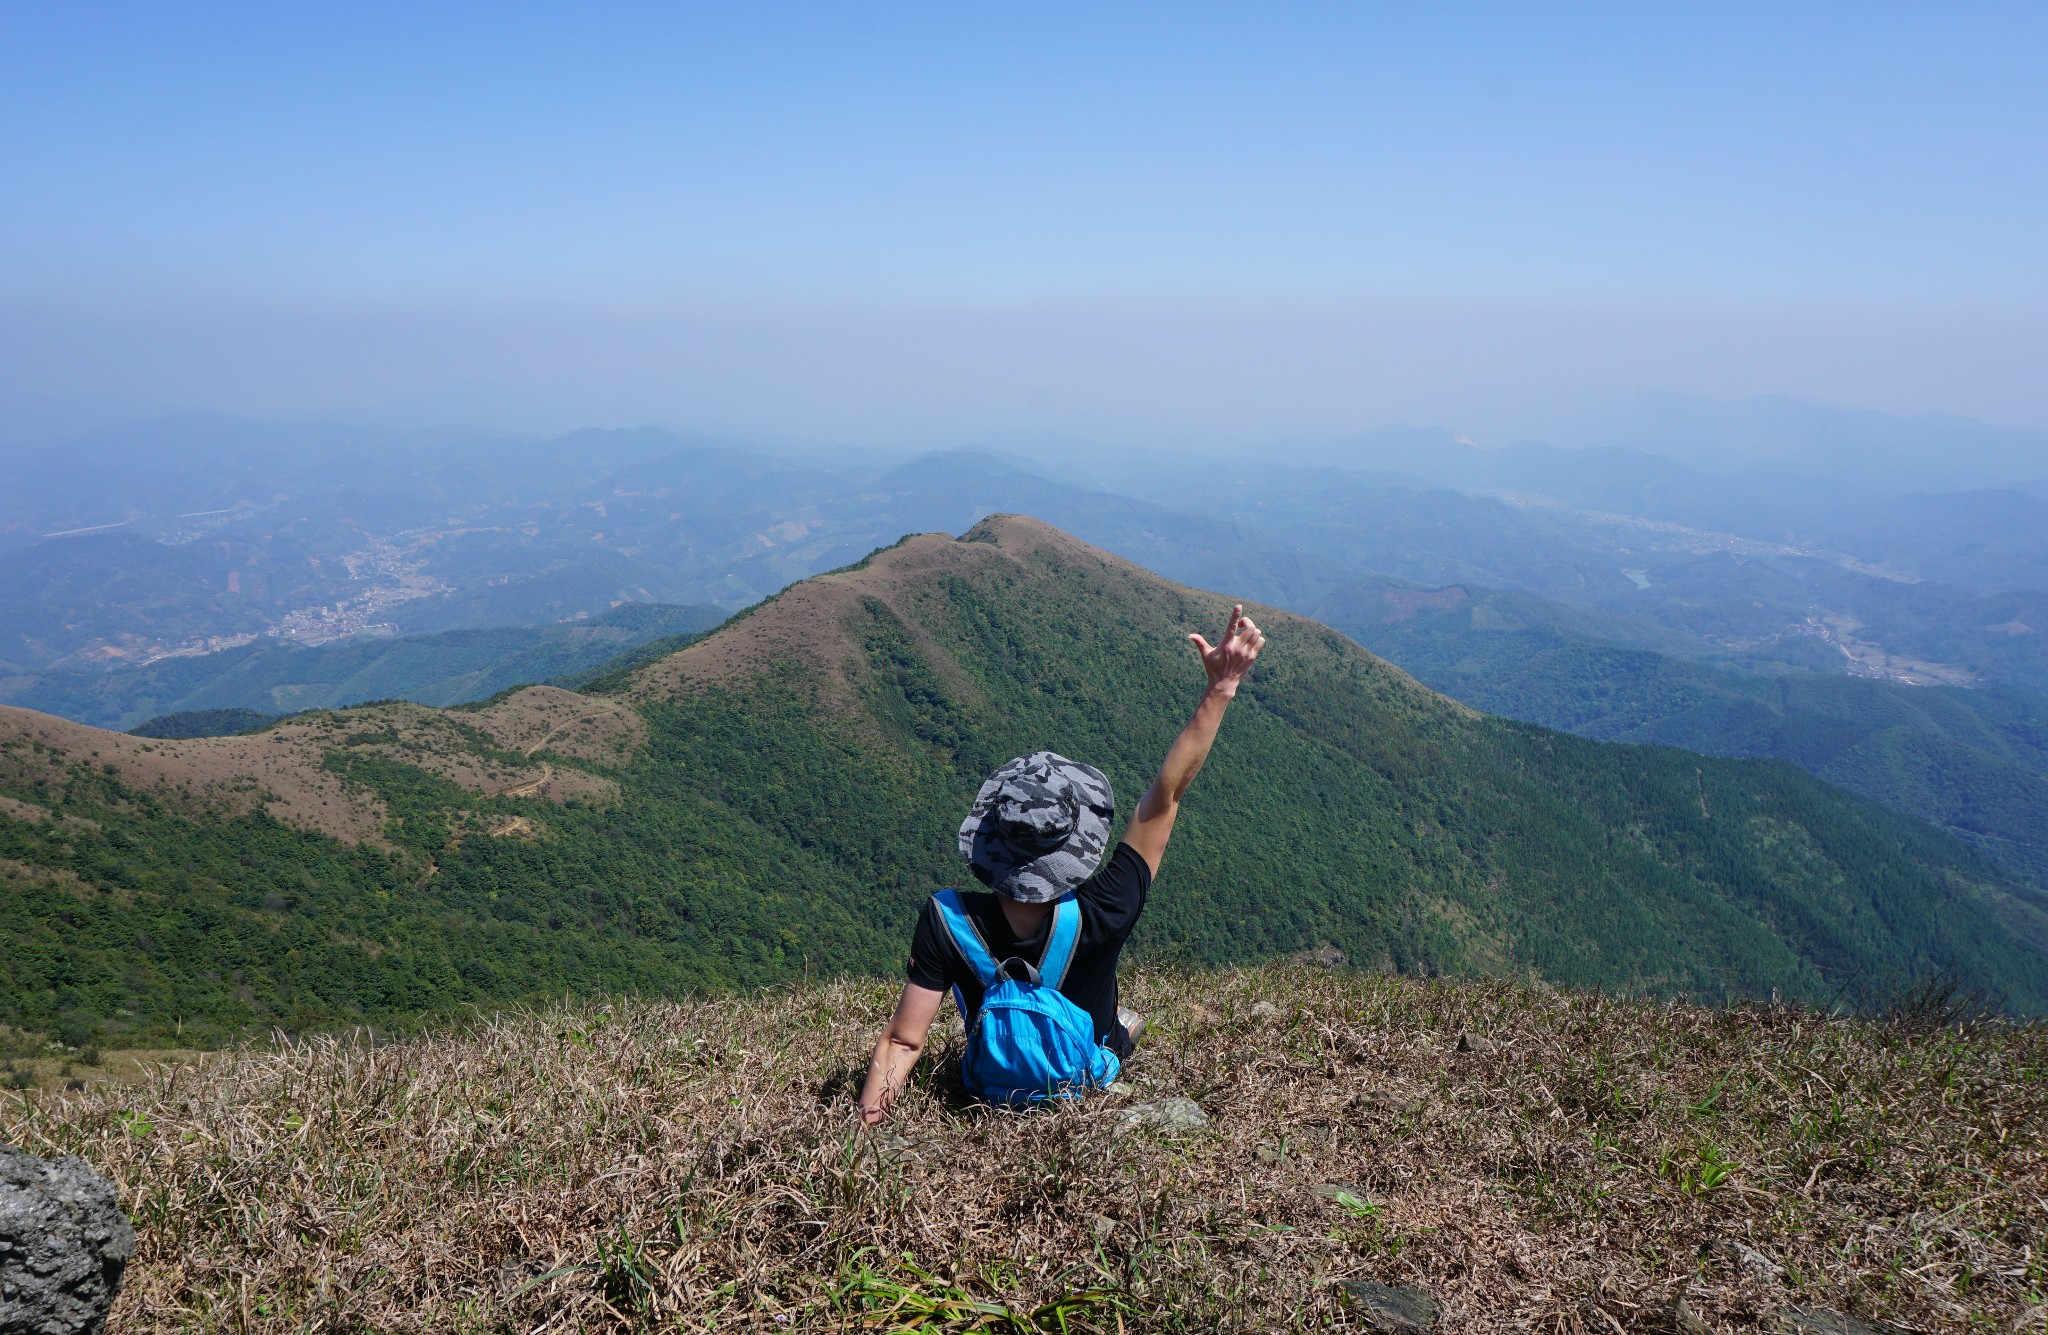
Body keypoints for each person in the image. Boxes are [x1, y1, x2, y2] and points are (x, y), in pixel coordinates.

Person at [854, 603, 1268, 1123]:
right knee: (1117, 1026)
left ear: (990, 838)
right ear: (1076, 847)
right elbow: (1166, 797)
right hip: (1084, 1080)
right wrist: (1222, 685)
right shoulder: (1108, 906)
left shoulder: (946, 921)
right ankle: (1112, 1030)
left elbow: (903, 1042)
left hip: (988, 1086)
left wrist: (866, 1140)